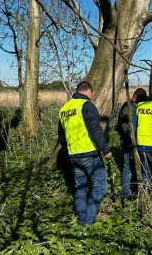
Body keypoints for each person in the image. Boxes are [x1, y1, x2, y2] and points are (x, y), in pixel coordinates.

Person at [58, 81, 112, 225]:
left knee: (80, 189)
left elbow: (61, 137)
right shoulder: (86, 106)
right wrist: (105, 150)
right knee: (100, 187)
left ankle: (81, 222)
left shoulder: (64, 108)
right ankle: (87, 224)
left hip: (73, 156)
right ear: (89, 92)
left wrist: (67, 152)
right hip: (89, 154)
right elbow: (95, 129)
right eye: (91, 94)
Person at [116, 88, 147, 198]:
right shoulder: (129, 107)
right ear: (136, 96)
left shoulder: (133, 106)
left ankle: (133, 191)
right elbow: (124, 125)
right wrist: (131, 138)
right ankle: (126, 193)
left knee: (133, 167)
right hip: (128, 142)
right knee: (128, 167)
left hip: (131, 141)